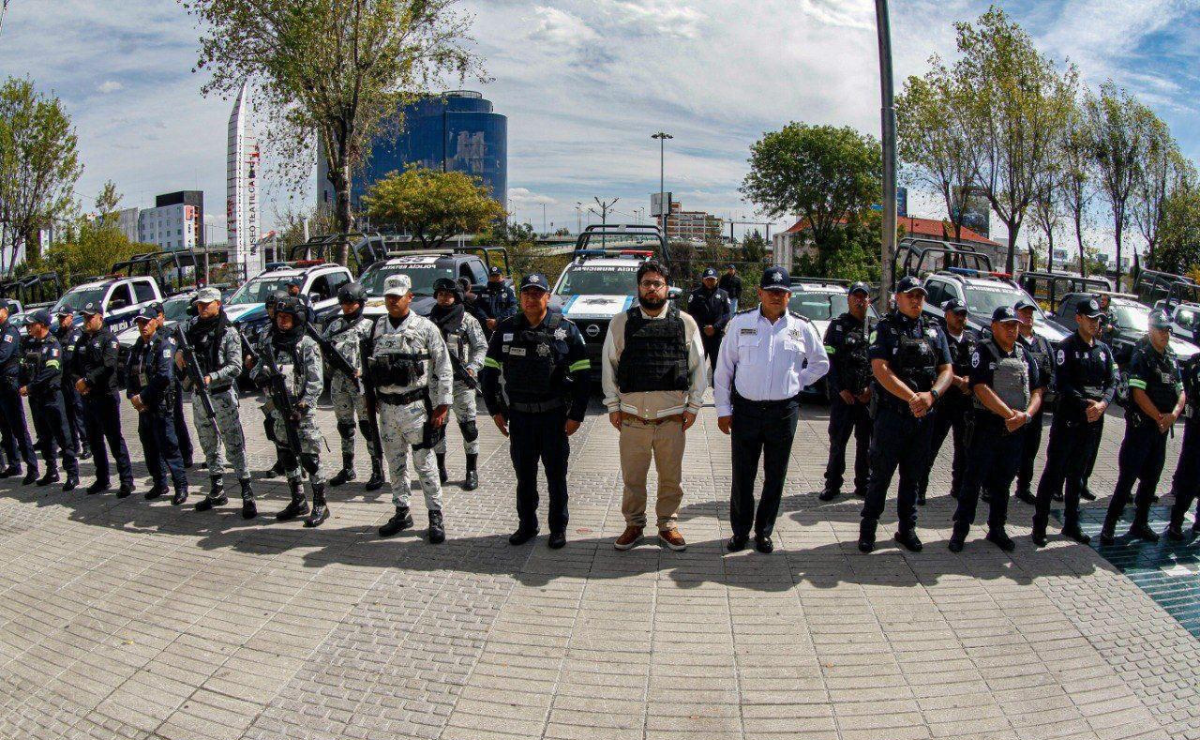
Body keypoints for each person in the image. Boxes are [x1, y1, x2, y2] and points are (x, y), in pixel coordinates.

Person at [715, 266, 829, 554]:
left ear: (789, 296)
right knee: (743, 476)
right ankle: (740, 532)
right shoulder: (740, 323)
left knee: (775, 476)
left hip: (783, 412)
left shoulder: (801, 327)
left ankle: (763, 532)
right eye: (771, 291)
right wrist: (722, 409)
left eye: (782, 292)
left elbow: (821, 363)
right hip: (745, 411)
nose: (776, 297)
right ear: (760, 293)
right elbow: (723, 369)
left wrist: (795, 381)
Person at [481, 273, 591, 549]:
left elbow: (583, 376)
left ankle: (558, 528)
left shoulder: (564, 329)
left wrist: (576, 414)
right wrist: (495, 409)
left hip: (553, 417)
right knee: (525, 477)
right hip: (520, 418)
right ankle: (527, 525)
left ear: (547, 297)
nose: (531, 298)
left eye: (537, 293)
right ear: (520, 297)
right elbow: (490, 372)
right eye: (526, 293)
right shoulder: (506, 329)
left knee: (556, 477)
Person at [602, 260, 705, 552]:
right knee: (633, 480)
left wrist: (694, 406)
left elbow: (699, 367)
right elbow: (609, 367)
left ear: (667, 288)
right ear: (638, 287)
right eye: (646, 283)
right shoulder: (620, 322)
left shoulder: (685, 322)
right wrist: (612, 406)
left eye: (657, 283)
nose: (651, 288)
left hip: (671, 421)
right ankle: (634, 525)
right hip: (633, 420)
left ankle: (668, 525)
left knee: (671, 479)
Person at [858, 276, 953, 554]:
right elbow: (880, 369)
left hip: (923, 418)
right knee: (881, 476)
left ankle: (906, 529)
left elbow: (947, 370)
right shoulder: (885, 329)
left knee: (913, 477)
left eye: (920, 296)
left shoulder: (935, 330)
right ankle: (868, 530)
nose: (915, 301)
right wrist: (912, 397)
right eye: (910, 295)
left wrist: (931, 395)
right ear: (897, 298)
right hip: (892, 416)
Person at [948, 306, 1045, 553]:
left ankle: (997, 528)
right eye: (1006, 325)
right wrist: (1008, 415)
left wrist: (1025, 415)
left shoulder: (1025, 355)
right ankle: (960, 530)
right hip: (987, 427)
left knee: (1003, 483)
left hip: (1015, 430)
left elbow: (1037, 390)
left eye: (1014, 325)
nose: (1012, 329)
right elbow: (979, 387)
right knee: (973, 480)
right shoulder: (984, 351)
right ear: (994, 327)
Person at [367, 275, 452, 543]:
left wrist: (443, 405)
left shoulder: (425, 327)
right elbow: (369, 366)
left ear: (409, 297)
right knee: (395, 463)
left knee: (424, 463)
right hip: (387, 408)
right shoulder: (377, 327)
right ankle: (402, 511)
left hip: (415, 407)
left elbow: (443, 366)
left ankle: (435, 515)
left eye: (398, 296)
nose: (392, 300)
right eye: (389, 296)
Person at [1032, 297, 1116, 547]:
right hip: (1069, 421)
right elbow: (1063, 383)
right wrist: (1086, 405)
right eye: (1090, 319)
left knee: (1078, 476)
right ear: (1078, 318)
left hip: (1091, 423)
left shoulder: (1103, 350)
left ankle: (1071, 523)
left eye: (1097, 319)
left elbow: (1112, 382)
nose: (1094, 323)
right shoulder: (1066, 347)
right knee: (1053, 474)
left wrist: (1102, 405)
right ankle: (1040, 525)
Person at [1100, 310, 1186, 545]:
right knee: (1127, 479)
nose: (1165, 334)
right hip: (1142, 429)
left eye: (1167, 329)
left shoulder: (1170, 356)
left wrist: (1174, 415)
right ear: (1150, 330)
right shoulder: (1143, 356)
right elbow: (1138, 394)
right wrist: (1160, 417)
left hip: (1160, 430)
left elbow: (1181, 391)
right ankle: (1109, 525)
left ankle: (1140, 523)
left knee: (1151, 480)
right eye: (1160, 329)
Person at [176, 287, 256, 518]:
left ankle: (247, 491)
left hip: (221, 395)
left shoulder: (228, 332)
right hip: (200, 397)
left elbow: (236, 366)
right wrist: (179, 356)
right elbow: (181, 350)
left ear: (218, 304)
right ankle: (217, 489)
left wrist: (214, 376)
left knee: (234, 445)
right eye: (199, 304)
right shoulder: (192, 330)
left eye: (207, 304)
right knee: (208, 443)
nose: (202, 308)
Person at [250, 296, 329, 527]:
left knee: (309, 458)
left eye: (287, 318)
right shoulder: (270, 343)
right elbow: (254, 371)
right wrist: (259, 376)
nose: (282, 322)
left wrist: (302, 408)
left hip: (300, 411)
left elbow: (315, 382)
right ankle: (298, 500)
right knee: (285, 455)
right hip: (277, 410)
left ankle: (320, 504)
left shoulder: (307, 345)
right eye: (279, 317)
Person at [324, 282, 386, 491]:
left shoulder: (370, 326)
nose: (346, 307)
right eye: (343, 303)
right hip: (339, 383)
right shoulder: (334, 325)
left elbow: (378, 355)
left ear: (360, 303)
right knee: (345, 426)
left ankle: (377, 469)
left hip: (361, 384)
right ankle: (347, 467)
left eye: (350, 302)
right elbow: (324, 348)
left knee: (368, 427)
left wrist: (366, 372)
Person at [70, 303, 134, 497]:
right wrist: (79, 382)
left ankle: (126, 481)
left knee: (114, 440)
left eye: (90, 317)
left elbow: (108, 366)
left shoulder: (109, 339)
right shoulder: (81, 341)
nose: (87, 321)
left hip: (106, 397)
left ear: (100, 317)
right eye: (85, 317)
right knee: (95, 441)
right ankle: (102, 479)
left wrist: (87, 381)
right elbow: (73, 367)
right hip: (88, 399)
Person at [429, 277, 487, 490]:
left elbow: (481, 346)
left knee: (469, 428)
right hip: (435, 384)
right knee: (437, 428)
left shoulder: (468, 320)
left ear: (457, 297)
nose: (445, 298)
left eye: (449, 294)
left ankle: (471, 471)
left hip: (462, 383)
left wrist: (473, 366)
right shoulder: (428, 321)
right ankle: (440, 468)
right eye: (441, 294)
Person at [126, 306, 188, 505]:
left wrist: (142, 397)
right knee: (149, 447)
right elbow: (129, 373)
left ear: (155, 321)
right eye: (140, 323)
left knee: (169, 446)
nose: (143, 326)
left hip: (159, 404)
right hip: (144, 407)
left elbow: (164, 376)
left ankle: (181, 486)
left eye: (147, 322)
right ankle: (159, 482)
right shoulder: (138, 345)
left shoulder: (164, 343)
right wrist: (133, 397)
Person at [917, 299, 977, 505]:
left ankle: (958, 487)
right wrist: (958, 381)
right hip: (942, 402)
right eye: (956, 313)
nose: (961, 318)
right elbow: (934, 368)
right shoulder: (937, 337)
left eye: (963, 314)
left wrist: (971, 380)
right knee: (930, 448)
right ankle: (919, 489)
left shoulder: (972, 339)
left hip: (965, 404)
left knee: (965, 448)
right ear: (947, 315)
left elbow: (980, 367)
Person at [820, 282, 875, 501]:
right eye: (856, 297)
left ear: (869, 301)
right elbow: (828, 361)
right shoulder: (837, 327)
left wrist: (871, 388)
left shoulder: (876, 328)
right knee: (838, 443)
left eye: (864, 297)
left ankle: (863, 484)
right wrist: (840, 389)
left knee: (866, 443)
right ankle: (832, 484)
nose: (859, 300)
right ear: (849, 299)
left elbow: (882, 363)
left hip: (867, 397)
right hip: (843, 397)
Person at [19, 310, 80, 490]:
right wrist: (23, 384)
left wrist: (30, 387)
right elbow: (23, 366)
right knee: (44, 437)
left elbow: (51, 371)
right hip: (37, 399)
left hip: (52, 397)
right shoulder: (30, 344)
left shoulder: (53, 344)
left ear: (42, 325)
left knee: (63, 436)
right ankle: (51, 470)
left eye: (32, 324)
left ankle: (72, 474)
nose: (29, 327)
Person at [1014, 298, 1055, 505]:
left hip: (1037, 405)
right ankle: (989, 487)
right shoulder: (1012, 341)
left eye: (1030, 312)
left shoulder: (1042, 342)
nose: (1028, 316)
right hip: (1015, 404)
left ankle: (1024, 487)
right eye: (1023, 312)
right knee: (1007, 448)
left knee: (1030, 448)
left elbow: (1053, 370)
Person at [150, 301, 194, 469]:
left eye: (157, 316)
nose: (154, 319)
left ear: (162, 317)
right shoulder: (148, 338)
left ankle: (186, 452)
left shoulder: (169, 335)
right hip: (155, 386)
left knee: (177, 420)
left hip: (171, 384)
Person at [0, 299, 38, 483]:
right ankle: (14, 464)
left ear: (5, 311)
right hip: (0, 386)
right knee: (5, 429)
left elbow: (3, 355)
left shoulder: (10, 332)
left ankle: (32, 467)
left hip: (9, 384)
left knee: (19, 428)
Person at [254, 290, 290, 478]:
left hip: (289, 385)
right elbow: (260, 358)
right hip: (270, 387)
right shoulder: (266, 331)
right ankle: (281, 459)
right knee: (274, 424)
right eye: (269, 307)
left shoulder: (293, 328)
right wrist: (256, 374)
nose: (271, 311)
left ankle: (296, 461)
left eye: (274, 307)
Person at [1166, 353, 1200, 540]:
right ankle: (1176, 522)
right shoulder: (1195, 364)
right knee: (1191, 478)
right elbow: (1186, 392)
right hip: (1196, 430)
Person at [53, 308, 90, 460]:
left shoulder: (76, 334)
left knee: (79, 413)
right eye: (60, 318)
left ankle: (87, 444)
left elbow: (69, 357)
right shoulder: (58, 334)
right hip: (62, 380)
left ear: (71, 317)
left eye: (64, 318)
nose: (61, 320)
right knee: (67, 414)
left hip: (73, 379)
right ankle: (73, 445)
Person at [688, 267, 732, 379]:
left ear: (717, 280)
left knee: (718, 364)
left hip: (717, 335)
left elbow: (727, 314)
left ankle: (716, 389)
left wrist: (715, 327)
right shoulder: (695, 295)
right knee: (698, 363)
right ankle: (697, 390)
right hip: (700, 335)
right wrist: (703, 327)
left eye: (712, 279)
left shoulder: (723, 295)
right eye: (707, 279)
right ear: (703, 280)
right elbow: (691, 314)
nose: (710, 282)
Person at [481, 266, 517, 334]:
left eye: (497, 276)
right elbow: (478, 308)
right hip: (486, 327)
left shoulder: (508, 292)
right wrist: (487, 320)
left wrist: (497, 320)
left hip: (504, 326)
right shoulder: (483, 292)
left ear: (502, 277)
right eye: (492, 276)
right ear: (489, 278)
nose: (495, 278)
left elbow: (513, 309)